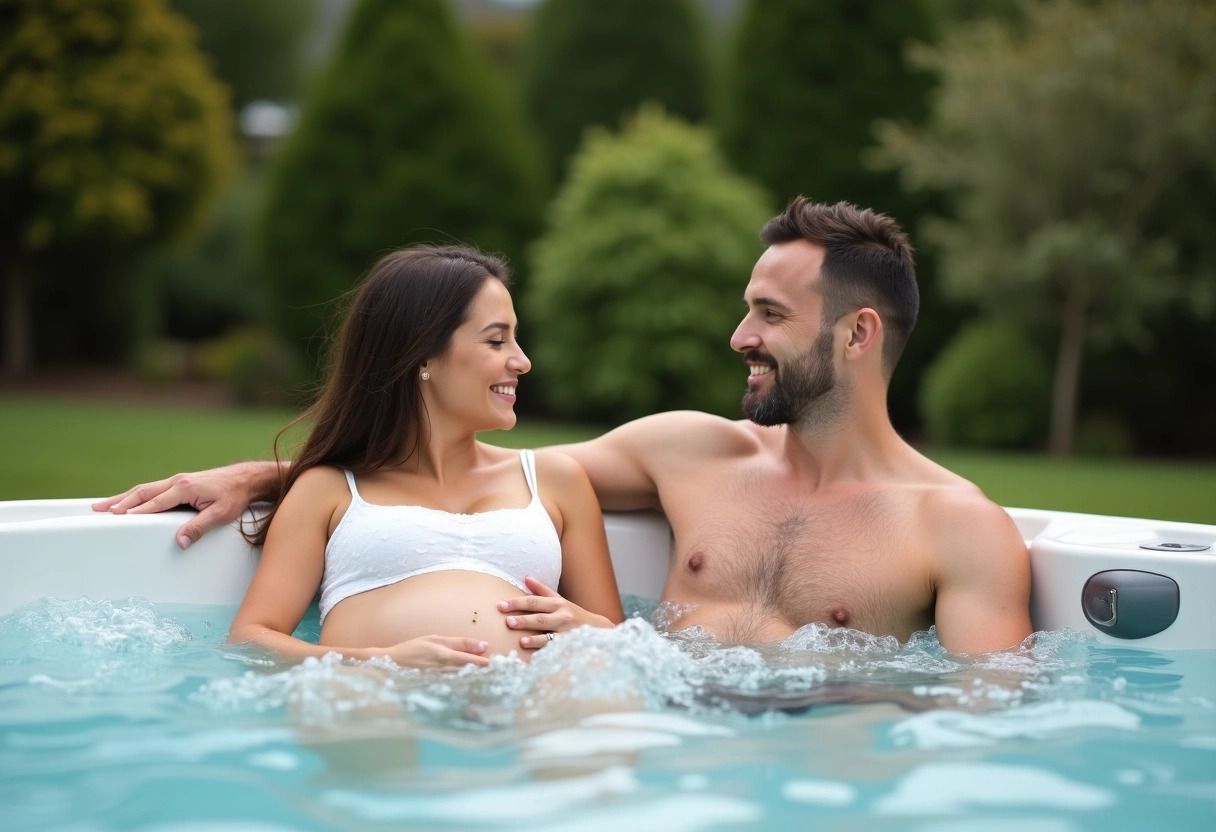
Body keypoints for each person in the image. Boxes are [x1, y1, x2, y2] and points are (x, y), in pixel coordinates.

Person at [96, 198, 1031, 656]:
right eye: (747, 308)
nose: (738, 335)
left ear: (859, 333)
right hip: (648, 748)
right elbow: (451, 464)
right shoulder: (689, 452)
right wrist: (261, 476)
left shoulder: (955, 529)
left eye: (770, 317)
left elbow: (975, 733)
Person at [217, 245, 623, 668]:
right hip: (376, 698)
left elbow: (624, 646)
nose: (522, 361)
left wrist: (587, 627)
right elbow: (250, 639)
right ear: (423, 354)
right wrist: (376, 662)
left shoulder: (557, 480)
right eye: (497, 340)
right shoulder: (327, 489)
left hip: (528, 704)